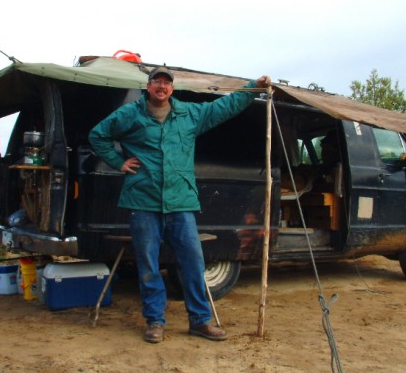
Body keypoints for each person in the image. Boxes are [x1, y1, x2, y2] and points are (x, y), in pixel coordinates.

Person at [89, 66, 271, 343]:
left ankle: (199, 321)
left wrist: (253, 86)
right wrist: (118, 162)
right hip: (143, 200)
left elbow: (227, 105)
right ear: (148, 87)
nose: (161, 86)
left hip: (180, 201)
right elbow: (98, 135)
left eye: (166, 82)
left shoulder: (189, 114)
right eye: (156, 82)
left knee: (193, 262)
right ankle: (155, 321)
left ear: (172, 88)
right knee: (148, 265)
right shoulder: (130, 114)